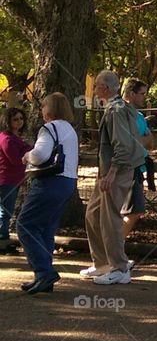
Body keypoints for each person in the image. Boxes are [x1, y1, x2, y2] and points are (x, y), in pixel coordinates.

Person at [80, 71, 146, 286]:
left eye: (97, 86)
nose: (94, 90)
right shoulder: (116, 108)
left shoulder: (116, 111)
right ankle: (102, 264)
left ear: (105, 89)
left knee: (110, 221)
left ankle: (119, 267)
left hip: (117, 172)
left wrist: (111, 174)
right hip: (109, 172)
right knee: (93, 214)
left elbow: (123, 146)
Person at [16, 93, 79, 294]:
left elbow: (41, 154)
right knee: (46, 229)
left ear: (49, 109)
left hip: (49, 182)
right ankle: (44, 276)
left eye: (43, 106)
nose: (41, 109)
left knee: (25, 225)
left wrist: (27, 156)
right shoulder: (70, 129)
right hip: (67, 182)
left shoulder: (50, 128)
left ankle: (44, 272)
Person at [121, 77, 154, 238]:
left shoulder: (139, 116)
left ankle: (114, 249)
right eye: (142, 93)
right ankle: (113, 249)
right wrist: (141, 140)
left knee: (134, 210)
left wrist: (140, 141)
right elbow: (127, 142)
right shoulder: (121, 114)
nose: (144, 97)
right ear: (131, 93)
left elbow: (150, 142)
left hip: (138, 167)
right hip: (126, 167)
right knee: (132, 211)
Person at [0, 107, 33, 253]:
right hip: (6, 179)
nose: (19, 122)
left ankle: (4, 238)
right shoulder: (6, 139)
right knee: (5, 211)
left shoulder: (16, 138)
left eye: (21, 119)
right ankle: (2, 239)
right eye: (15, 119)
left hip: (15, 179)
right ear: (8, 121)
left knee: (7, 210)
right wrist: (27, 153)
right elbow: (15, 159)